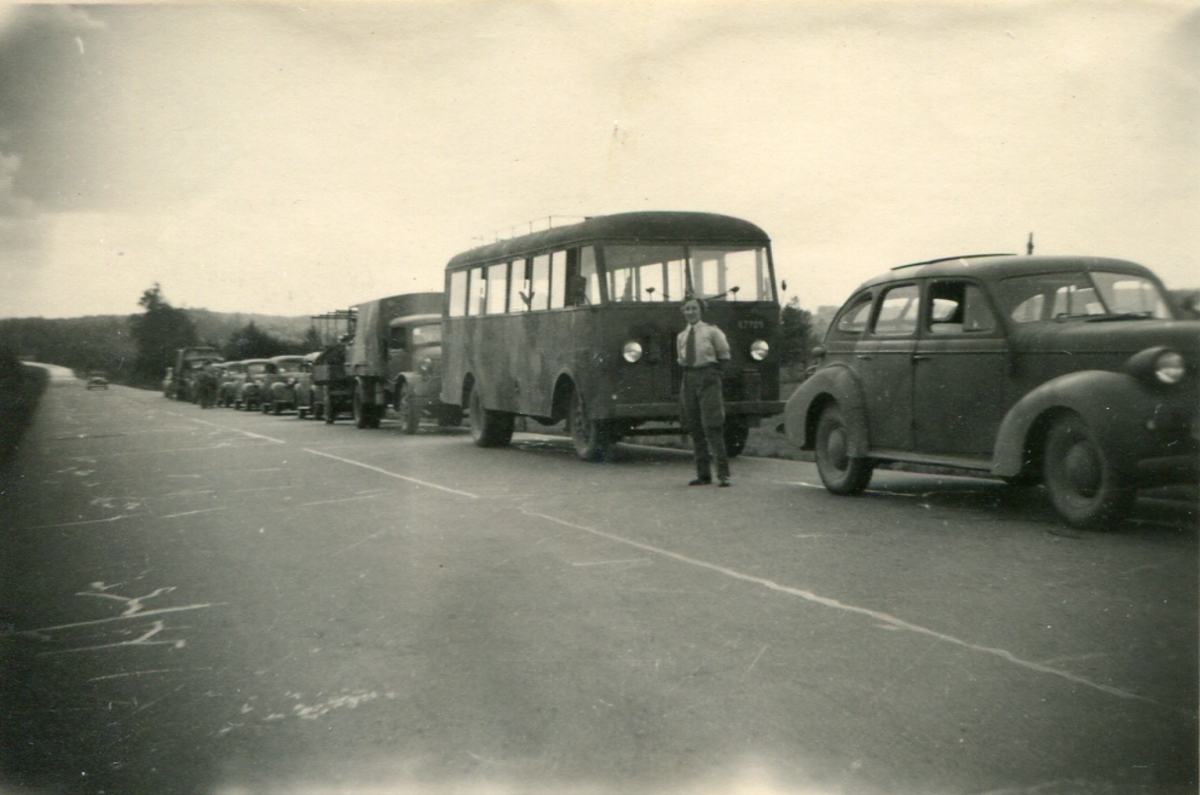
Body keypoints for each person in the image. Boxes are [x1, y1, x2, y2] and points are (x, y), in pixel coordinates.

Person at [677, 296, 732, 487]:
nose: (690, 312)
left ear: (701, 311)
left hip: (708, 378)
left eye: (694, 308)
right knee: (695, 427)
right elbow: (681, 359)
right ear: (683, 311)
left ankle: (723, 475)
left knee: (712, 426)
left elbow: (724, 355)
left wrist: (713, 376)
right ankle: (703, 475)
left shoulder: (712, 332)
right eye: (687, 309)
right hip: (689, 379)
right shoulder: (682, 336)